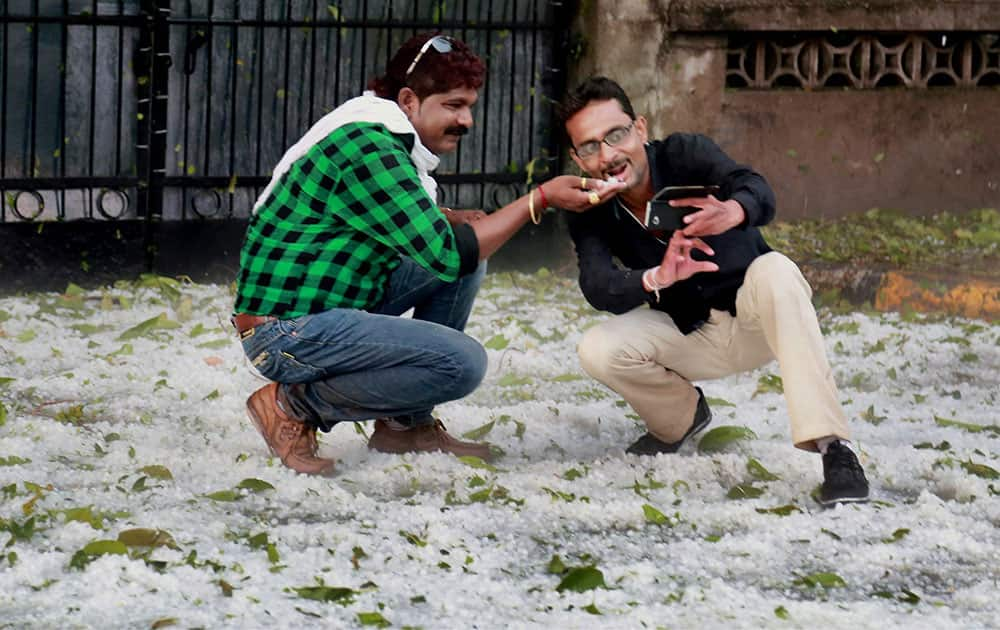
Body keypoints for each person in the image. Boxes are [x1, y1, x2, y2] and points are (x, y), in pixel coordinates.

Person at [232, 35, 622, 476]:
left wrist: (452, 217)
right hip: (284, 333)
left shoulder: (380, 136)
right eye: (454, 105)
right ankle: (291, 405)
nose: (467, 120)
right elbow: (446, 253)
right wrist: (541, 198)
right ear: (409, 100)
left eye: (470, 106)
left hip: (325, 309)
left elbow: (394, 225)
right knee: (462, 363)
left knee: (468, 257)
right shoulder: (370, 147)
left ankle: (405, 425)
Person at [555, 76, 869, 506]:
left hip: (755, 317)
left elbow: (757, 187)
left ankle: (834, 449)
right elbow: (597, 285)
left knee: (777, 269)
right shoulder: (588, 208)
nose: (608, 155)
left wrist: (734, 210)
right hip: (688, 330)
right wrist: (655, 278)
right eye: (590, 147)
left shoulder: (685, 154)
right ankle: (679, 420)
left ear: (640, 129)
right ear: (578, 158)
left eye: (616, 135)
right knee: (596, 347)